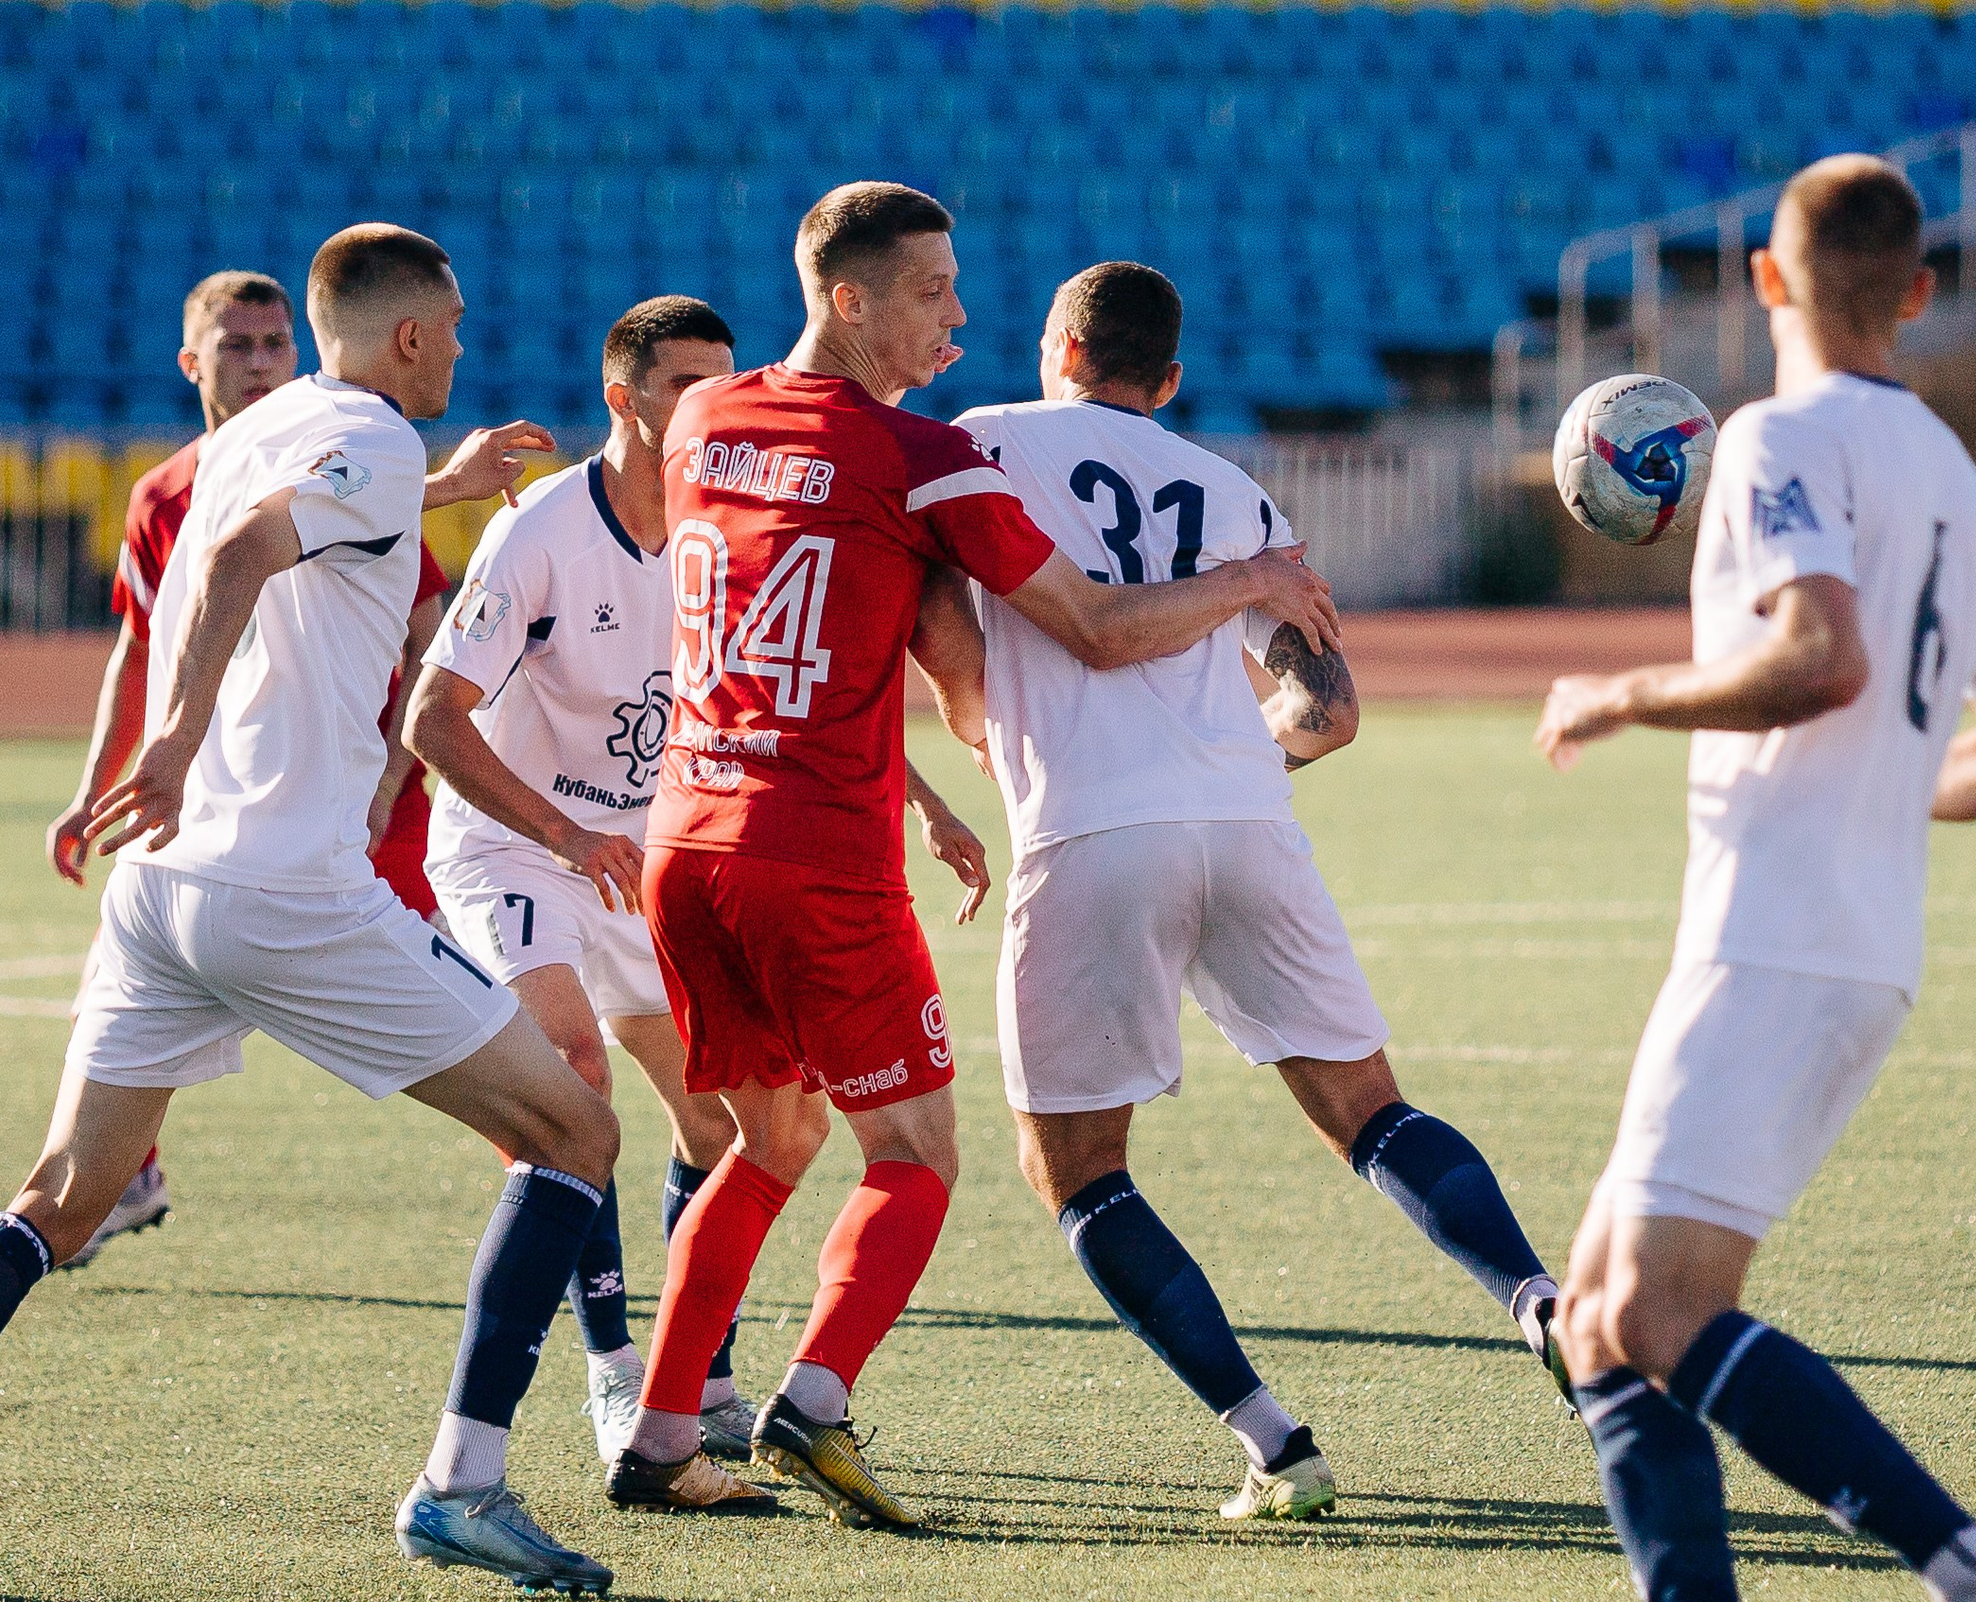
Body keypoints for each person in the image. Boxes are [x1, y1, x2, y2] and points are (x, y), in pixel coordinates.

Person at [0, 225, 625, 1599]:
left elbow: (277, 529)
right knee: (576, 1125)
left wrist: (436, 489)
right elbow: (235, 556)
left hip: (160, 896)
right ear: (407, 335)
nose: (463, 341)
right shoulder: (370, 443)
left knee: (57, 1199)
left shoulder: (267, 425)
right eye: (451, 321)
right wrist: (168, 737)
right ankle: (462, 1482)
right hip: (287, 889)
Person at [604, 181, 1341, 1529]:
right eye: (935, 291)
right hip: (814, 851)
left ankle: (660, 1433)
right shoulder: (926, 458)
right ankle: (812, 1400)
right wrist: (1252, 582)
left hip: (689, 837)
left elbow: (834, 584)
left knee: (764, 1141)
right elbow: (1101, 627)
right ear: (850, 298)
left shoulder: (704, 417)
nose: (961, 315)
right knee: (918, 1151)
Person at [1534, 157, 1976, 1602]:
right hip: (1859, 941)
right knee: (1600, 1315)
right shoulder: (1965, 484)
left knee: (1647, 1310)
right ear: (1919, 292)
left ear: (1767, 284)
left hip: (1771, 932)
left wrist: (1623, 688)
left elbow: (1821, 656)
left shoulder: (1777, 437)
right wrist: (1880, 802)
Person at [925, 261, 1568, 1522]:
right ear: (1167, 382)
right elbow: (1328, 714)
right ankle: (1542, 1303)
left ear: (1056, 344)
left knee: (1075, 1169)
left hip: (1090, 830)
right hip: (1246, 819)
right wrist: (1224, 762)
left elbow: (944, 627)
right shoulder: (1237, 495)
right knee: (1369, 1111)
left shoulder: (978, 441)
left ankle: (1276, 1444)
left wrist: (986, 728)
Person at [407, 297, 997, 1504]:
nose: (716, 405)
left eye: (722, 379)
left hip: (666, 848)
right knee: (574, 1082)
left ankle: (692, 1401)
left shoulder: (731, 509)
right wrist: (566, 833)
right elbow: (430, 721)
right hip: (522, 848)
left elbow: (784, 690)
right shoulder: (538, 535)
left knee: (737, 1134)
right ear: (624, 401)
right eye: (684, 384)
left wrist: (925, 800)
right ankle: (618, 1369)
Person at [45, 270, 456, 1270]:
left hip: (356, 810)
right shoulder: (168, 493)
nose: (264, 362)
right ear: (194, 363)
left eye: (277, 343)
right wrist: (96, 781)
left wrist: (391, 788)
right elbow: (140, 650)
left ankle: (560, 1195)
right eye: (240, 346)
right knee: (126, 980)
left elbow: (425, 635)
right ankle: (115, 1176)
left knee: (522, 1041)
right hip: (216, 809)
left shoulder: (351, 452)